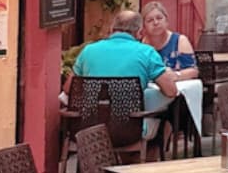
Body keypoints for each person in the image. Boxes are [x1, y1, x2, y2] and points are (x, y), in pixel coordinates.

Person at [75, 9, 179, 138]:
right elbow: (171, 91)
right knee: (165, 123)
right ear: (140, 33)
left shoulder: (88, 51)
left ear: (112, 28)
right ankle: (145, 157)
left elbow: (69, 88)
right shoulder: (147, 53)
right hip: (129, 131)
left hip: (89, 129)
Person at [140, 0, 197, 74]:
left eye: (159, 18)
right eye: (150, 20)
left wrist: (175, 75)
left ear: (166, 20)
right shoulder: (140, 45)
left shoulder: (180, 41)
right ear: (144, 26)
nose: (155, 23)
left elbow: (193, 71)